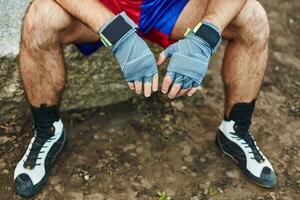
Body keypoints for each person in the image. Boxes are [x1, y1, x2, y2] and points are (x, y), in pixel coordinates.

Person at [14, 0, 277, 197]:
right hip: (104, 5)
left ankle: (236, 129)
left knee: (253, 18)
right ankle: (47, 130)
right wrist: (116, 32)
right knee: (40, 21)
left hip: (174, 4)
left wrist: (205, 35)